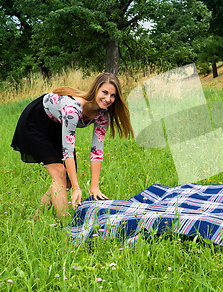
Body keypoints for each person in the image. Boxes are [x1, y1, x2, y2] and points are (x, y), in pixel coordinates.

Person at [11, 73, 134, 222]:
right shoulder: (72, 109)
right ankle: (68, 227)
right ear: (96, 89)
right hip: (35, 123)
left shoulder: (102, 115)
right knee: (59, 173)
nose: (108, 99)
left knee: (67, 181)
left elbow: (97, 151)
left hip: (57, 126)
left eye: (113, 96)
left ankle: (35, 219)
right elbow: (67, 151)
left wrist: (94, 186)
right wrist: (77, 188)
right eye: (105, 92)